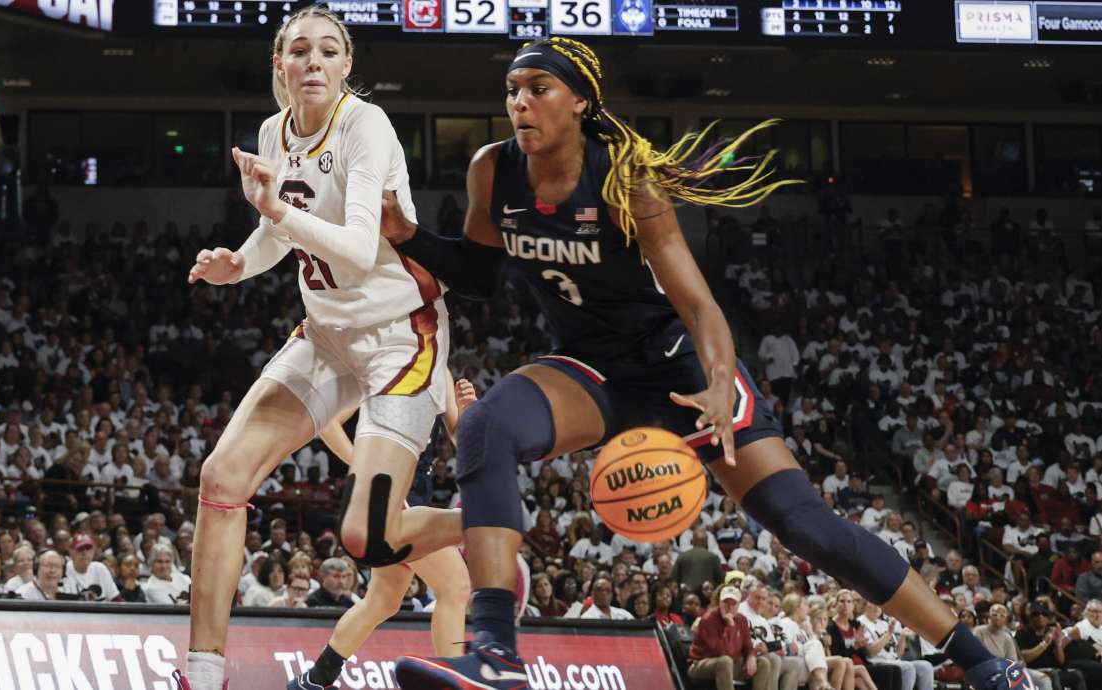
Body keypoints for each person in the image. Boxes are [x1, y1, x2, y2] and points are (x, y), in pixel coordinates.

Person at [382, 36, 1031, 690]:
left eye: (538, 89)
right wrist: (409, 235)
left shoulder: (622, 181)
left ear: (579, 101)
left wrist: (721, 385)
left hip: (679, 370)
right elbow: (481, 275)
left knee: (807, 526)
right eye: (512, 90)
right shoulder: (492, 170)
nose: (520, 102)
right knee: (487, 429)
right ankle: (494, 653)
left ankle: (985, 663)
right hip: (593, 369)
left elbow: (699, 305)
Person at [179, 7, 459, 690]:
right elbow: (282, 234)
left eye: (327, 51)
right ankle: (201, 673)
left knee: (371, 537)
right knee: (221, 478)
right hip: (328, 333)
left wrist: (276, 212)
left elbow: (361, 248)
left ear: (345, 67)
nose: (313, 61)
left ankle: (484, 516)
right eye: (299, 50)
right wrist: (239, 264)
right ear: (279, 65)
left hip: (401, 337)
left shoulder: (367, 124)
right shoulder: (274, 132)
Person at [290, 371, 476, 690]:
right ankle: (454, 684)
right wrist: (362, 466)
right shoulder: (384, 364)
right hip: (389, 494)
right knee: (455, 587)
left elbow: (463, 437)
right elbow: (328, 423)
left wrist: (471, 412)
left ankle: (314, 680)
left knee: (384, 600)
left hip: (415, 495)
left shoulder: (438, 368)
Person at [688, 585, 772, 690]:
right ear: (720, 603)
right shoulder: (708, 619)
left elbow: (748, 646)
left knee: (763, 663)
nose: (729, 607)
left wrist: (751, 656)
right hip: (700, 664)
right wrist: (729, 626)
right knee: (725, 661)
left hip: (730, 663)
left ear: (738, 605)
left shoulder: (742, 620)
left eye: (733, 603)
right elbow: (720, 651)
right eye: (726, 602)